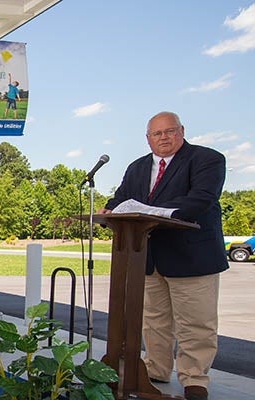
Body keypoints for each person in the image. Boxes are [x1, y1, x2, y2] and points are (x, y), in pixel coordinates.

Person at [99, 111, 227, 400]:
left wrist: (149, 211)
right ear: (148, 139)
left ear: (181, 131)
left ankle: (195, 379)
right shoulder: (137, 167)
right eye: (157, 134)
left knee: (196, 322)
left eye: (170, 131)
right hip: (147, 255)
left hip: (192, 256)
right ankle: (156, 369)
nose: (164, 137)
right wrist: (109, 210)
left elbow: (200, 200)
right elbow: (122, 198)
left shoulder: (207, 159)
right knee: (154, 320)